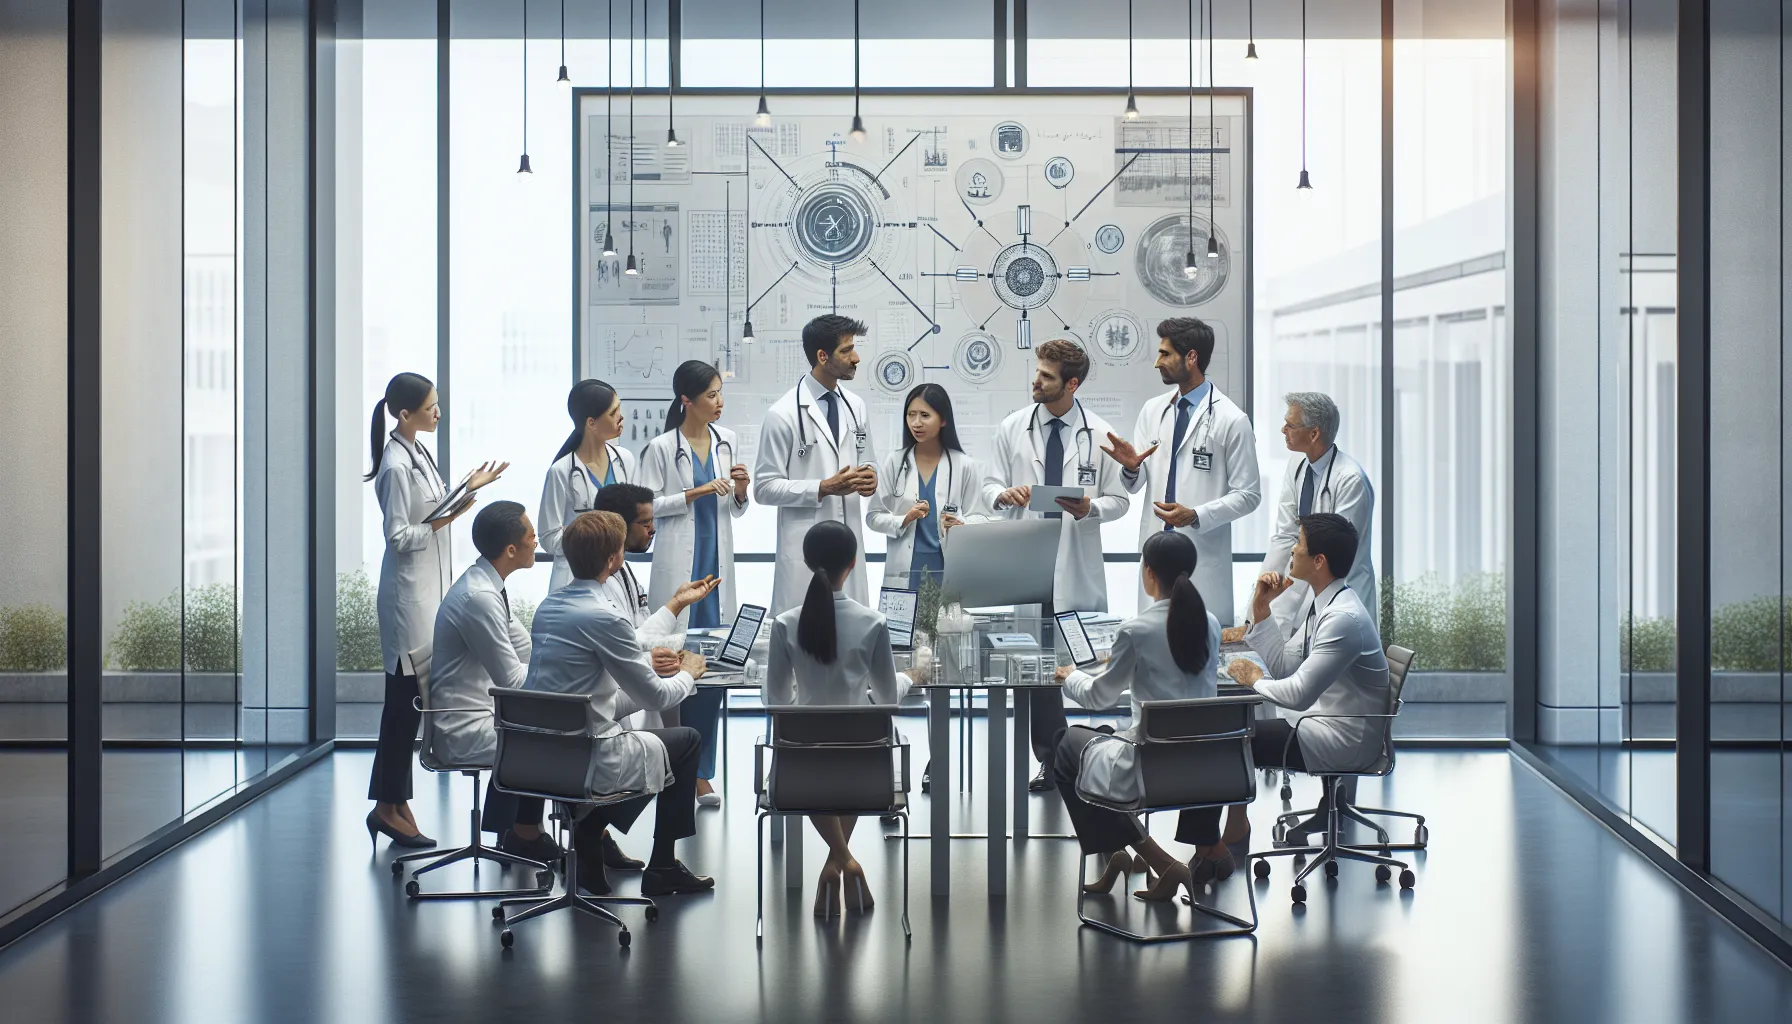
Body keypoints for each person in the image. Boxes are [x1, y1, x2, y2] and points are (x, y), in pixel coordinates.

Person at [521, 511, 718, 897]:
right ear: (614, 559)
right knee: (685, 741)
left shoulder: (549, 607)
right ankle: (660, 864)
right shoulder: (605, 617)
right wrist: (688, 673)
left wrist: (649, 666)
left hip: (541, 752)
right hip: (587, 755)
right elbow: (656, 699)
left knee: (655, 745)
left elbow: (595, 695)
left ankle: (592, 830)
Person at [364, 371, 507, 850]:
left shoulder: (417, 451)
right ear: (405, 414)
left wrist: (468, 488)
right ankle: (387, 806)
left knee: (408, 706)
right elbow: (400, 535)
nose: (438, 413)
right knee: (403, 707)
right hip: (409, 600)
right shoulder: (395, 465)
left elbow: (434, 510)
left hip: (429, 591)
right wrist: (451, 514)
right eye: (431, 406)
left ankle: (393, 801)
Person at [984, 339, 1130, 792]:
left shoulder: (1101, 435)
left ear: (1072, 383)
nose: (1036, 381)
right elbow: (989, 484)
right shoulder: (1012, 428)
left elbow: (1120, 500)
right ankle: (1050, 757)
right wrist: (1001, 496)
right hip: (1026, 562)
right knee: (1035, 669)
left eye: (1047, 376)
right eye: (1037, 371)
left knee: (1075, 663)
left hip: (1074, 563)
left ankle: (1085, 752)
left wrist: (1092, 509)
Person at [1048, 532, 1224, 901]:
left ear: (1148, 573)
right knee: (1109, 734)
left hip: (1151, 769)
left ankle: (1153, 859)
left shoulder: (1135, 629)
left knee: (1065, 747)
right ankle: (1119, 857)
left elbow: (1099, 695)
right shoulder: (1209, 623)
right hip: (1207, 767)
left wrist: (1071, 676)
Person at [763, 521, 920, 916]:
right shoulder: (873, 622)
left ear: (806, 561)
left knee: (816, 756)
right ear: (852, 563)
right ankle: (844, 860)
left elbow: (777, 700)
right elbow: (886, 699)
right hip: (865, 771)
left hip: (799, 771)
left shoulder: (785, 624)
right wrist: (909, 678)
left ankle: (838, 862)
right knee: (849, 752)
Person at [1226, 513, 1393, 847]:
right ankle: (1229, 833)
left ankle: (1231, 835)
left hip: (1341, 739)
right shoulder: (1327, 604)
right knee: (1237, 732)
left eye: (1298, 543)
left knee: (1234, 740)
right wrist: (1262, 609)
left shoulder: (1342, 619)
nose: (1292, 550)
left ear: (1319, 561)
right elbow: (1287, 667)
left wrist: (1255, 680)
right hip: (1323, 722)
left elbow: (1298, 694)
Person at [639, 362, 749, 807]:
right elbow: (646, 507)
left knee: (713, 669)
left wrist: (741, 491)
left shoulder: (728, 442)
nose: (719, 403)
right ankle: (673, 763)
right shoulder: (661, 447)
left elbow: (738, 510)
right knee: (673, 666)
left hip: (716, 567)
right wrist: (697, 492)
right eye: (711, 395)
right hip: (679, 567)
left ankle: (702, 772)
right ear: (686, 400)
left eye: (721, 394)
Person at [1101, 317, 1260, 624]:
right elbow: (1136, 485)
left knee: (1198, 649)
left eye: (1165, 354)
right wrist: (1131, 468)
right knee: (1151, 644)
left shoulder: (1232, 420)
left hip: (1200, 553)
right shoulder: (1152, 410)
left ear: (1191, 358)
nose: (1157, 363)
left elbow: (1249, 495)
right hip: (1156, 551)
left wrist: (1197, 515)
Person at [426, 501, 560, 863]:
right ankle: (524, 834)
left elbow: (526, 649)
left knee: (543, 723)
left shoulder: (489, 585)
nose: (538, 541)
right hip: (464, 729)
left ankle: (519, 831)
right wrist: (561, 683)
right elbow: (514, 679)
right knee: (555, 733)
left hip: (484, 712)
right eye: (532, 535)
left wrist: (561, 667)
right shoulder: (479, 598)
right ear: (511, 549)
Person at [593, 481, 724, 798]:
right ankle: (680, 795)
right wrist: (681, 668)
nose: (653, 530)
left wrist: (671, 643)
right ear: (618, 525)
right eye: (646, 522)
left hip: (619, 685)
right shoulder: (598, 585)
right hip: (605, 699)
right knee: (678, 711)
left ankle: (682, 782)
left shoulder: (623, 571)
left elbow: (639, 632)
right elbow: (627, 645)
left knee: (676, 682)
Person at [753, 314, 880, 615]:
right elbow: (763, 488)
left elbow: (869, 460)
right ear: (823, 356)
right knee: (804, 645)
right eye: (846, 351)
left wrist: (871, 477)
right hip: (804, 552)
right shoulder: (782, 414)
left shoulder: (856, 406)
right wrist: (822, 488)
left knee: (853, 639)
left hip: (848, 545)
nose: (856, 358)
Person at [1247, 392, 1376, 635]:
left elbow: (1331, 558)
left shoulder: (1350, 480)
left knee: (1333, 667)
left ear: (1314, 433)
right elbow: (1285, 536)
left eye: (1290, 424)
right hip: (1309, 588)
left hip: (1342, 596)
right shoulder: (1296, 466)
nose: (1283, 429)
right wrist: (1259, 599)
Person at [867, 383, 994, 589]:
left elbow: (981, 517)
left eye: (925, 415)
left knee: (945, 620)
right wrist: (904, 519)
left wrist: (962, 524)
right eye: (911, 415)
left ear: (943, 419)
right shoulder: (896, 462)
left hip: (946, 565)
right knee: (904, 620)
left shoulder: (964, 465)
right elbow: (873, 517)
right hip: (905, 566)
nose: (916, 423)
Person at [541, 379, 640, 593]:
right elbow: (548, 538)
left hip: (617, 573)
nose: (621, 417)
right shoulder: (561, 471)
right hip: (574, 577)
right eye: (613, 413)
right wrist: (591, 542)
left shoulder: (625, 461)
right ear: (591, 423)